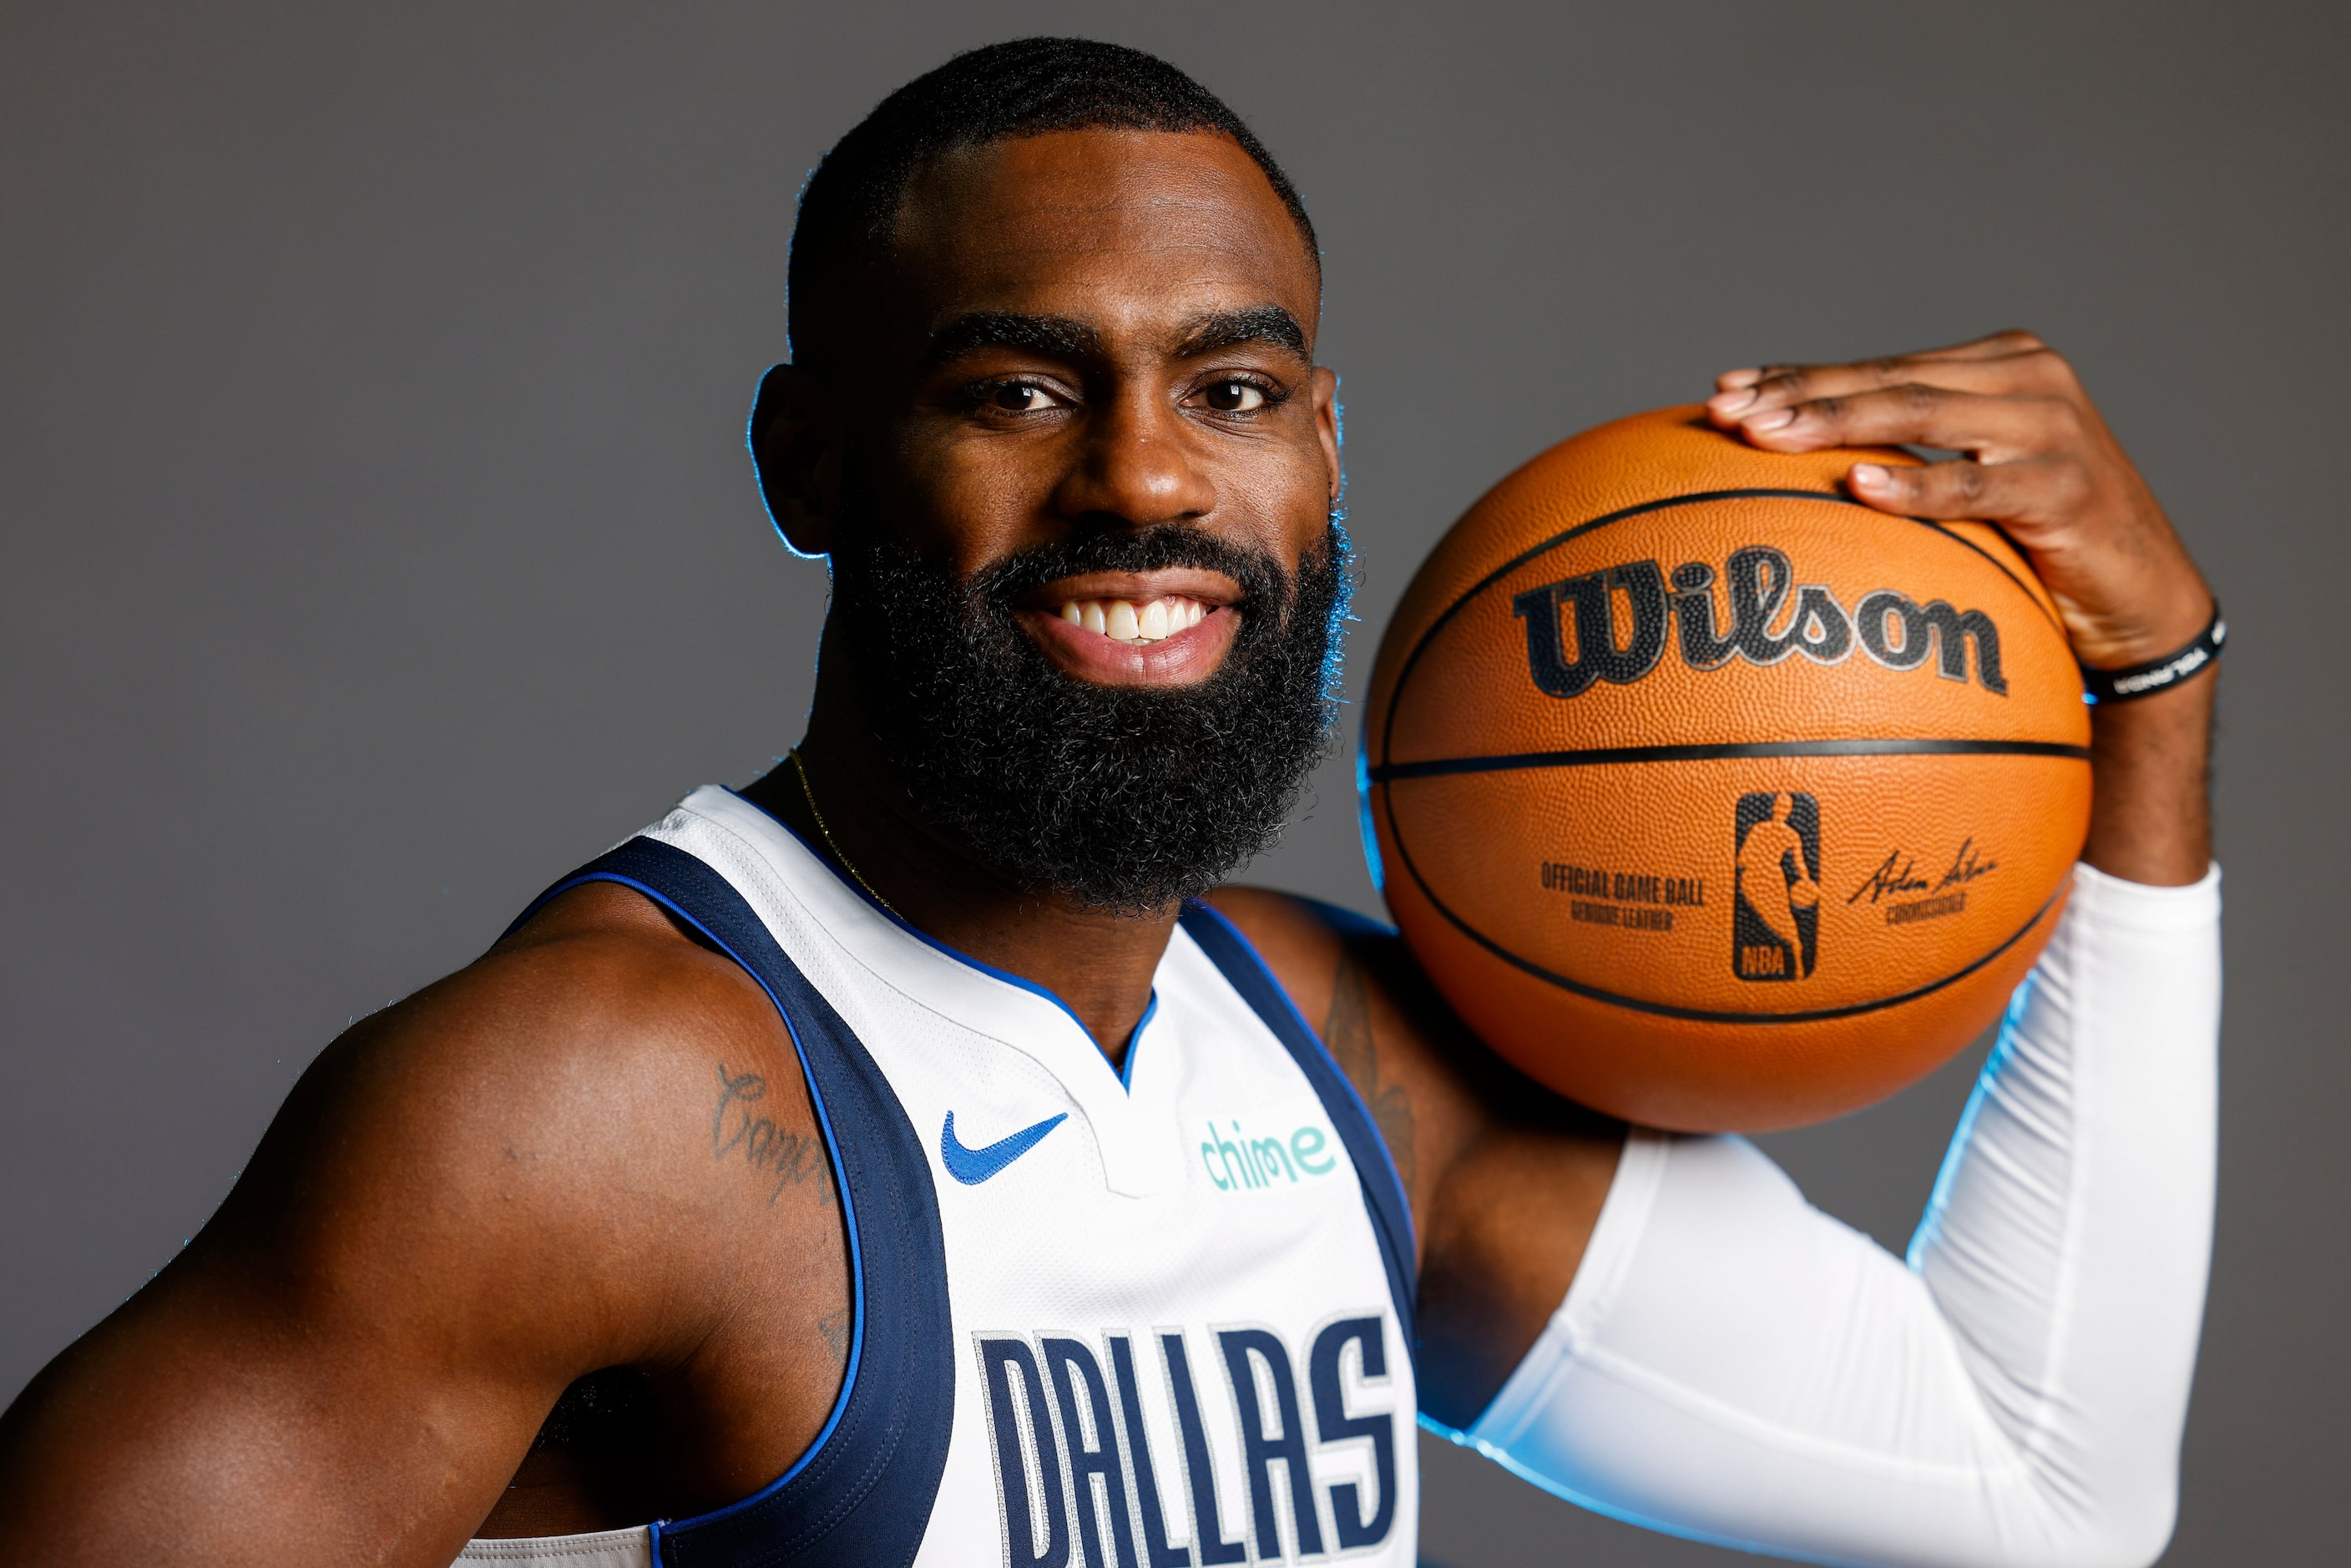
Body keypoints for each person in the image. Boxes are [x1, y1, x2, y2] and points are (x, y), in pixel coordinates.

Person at [0, 38, 2223, 1568]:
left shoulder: (1350, 1067)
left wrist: (2146, 705)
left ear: (1325, 450)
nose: (1149, 478)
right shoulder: (584, 1108)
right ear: (811, 462)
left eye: (1232, 387)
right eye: (1017, 387)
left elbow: (2039, 1492)